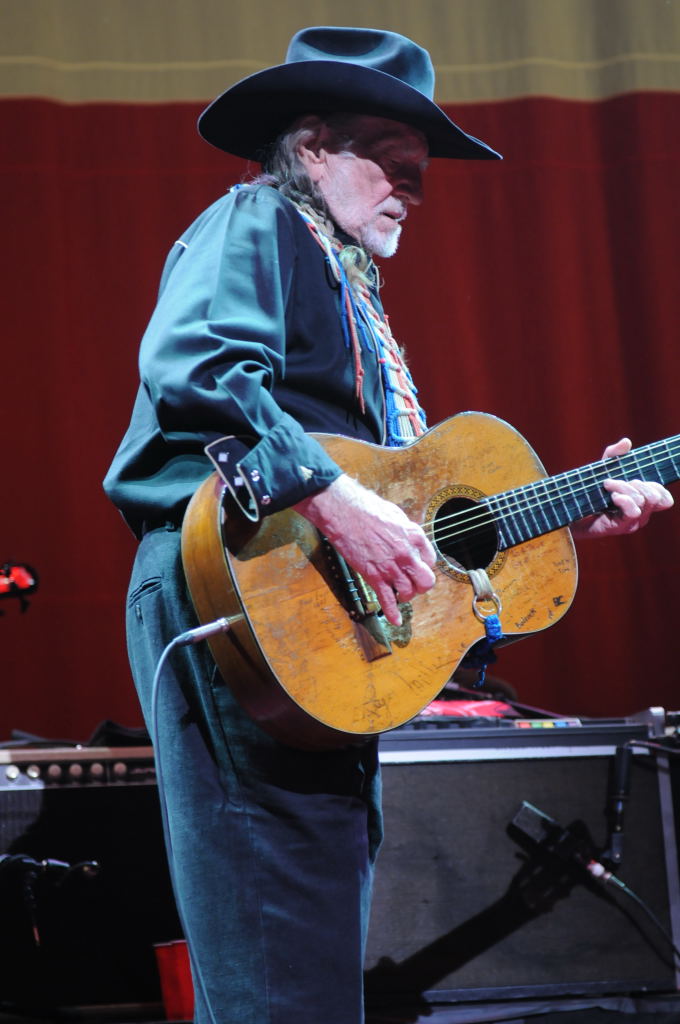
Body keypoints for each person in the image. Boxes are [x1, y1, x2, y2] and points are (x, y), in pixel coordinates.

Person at [103, 26, 673, 1024]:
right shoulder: (258, 219)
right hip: (235, 591)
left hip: (314, 626)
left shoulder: (346, 284)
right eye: (391, 163)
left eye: (421, 174)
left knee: (307, 949)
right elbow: (199, 367)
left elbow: (406, 522)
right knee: (277, 948)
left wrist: (568, 514)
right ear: (313, 145)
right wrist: (329, 495)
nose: (413, 189)